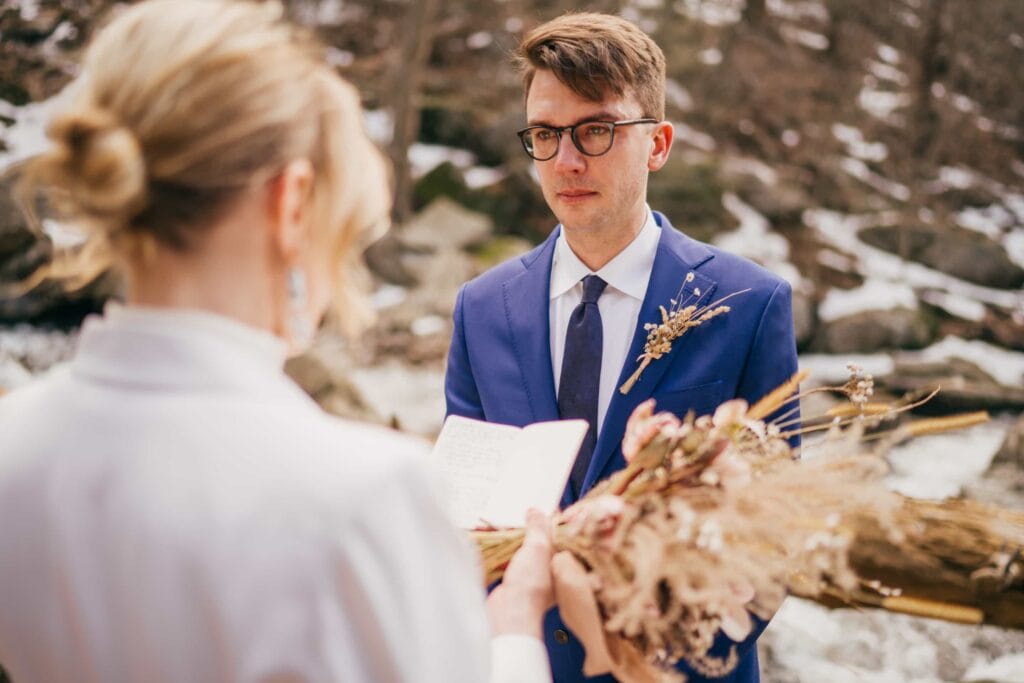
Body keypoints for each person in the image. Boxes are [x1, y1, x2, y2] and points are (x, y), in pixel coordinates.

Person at [0, 1, 555, 681]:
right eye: (344, 236)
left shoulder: (14, 443)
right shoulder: (363, 496)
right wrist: (516, 630)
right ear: (292, 204)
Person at [444, 12, 799, 683]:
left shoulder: (749, 305)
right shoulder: (480, 309)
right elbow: (469, 519)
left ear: (658, 143)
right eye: (545, 134)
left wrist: (652, 647)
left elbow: (775, 536)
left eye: (596, 130)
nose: (568, 160)